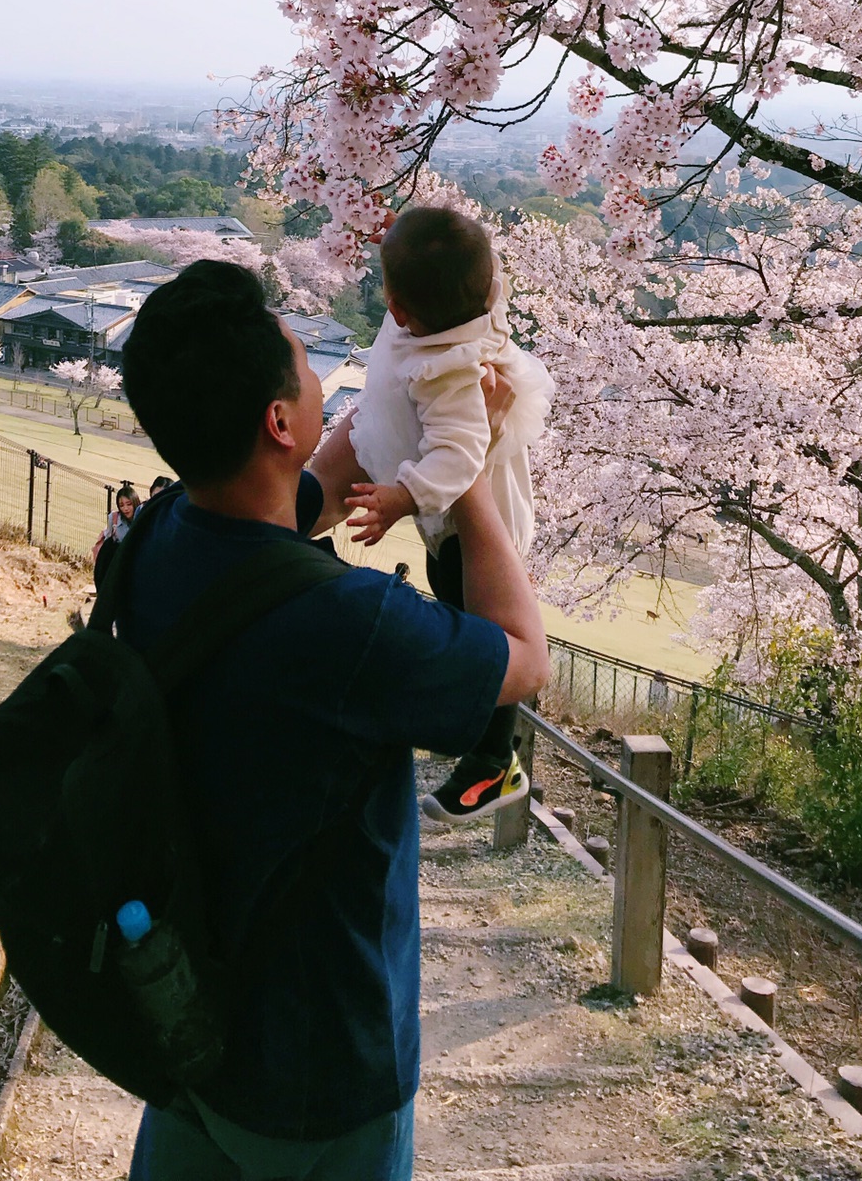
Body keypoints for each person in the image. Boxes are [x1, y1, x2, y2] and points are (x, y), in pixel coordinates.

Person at [117, 259, 549, 1181]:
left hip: (186, 1016)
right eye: (309, 369)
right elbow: (521, 658)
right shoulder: (350, 627)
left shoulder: (158, 540)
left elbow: (298, 496)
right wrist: (462, 471)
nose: (324, 380)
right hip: (323, 1063)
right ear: (278, 421)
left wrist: (408, 395)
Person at [334, 205, 553, 827]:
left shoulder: (451, 372)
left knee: (487, 633)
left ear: (398, 308)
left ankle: (492, 760)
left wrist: (402, 495)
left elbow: (461, 455)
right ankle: (479, 744)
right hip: (455, 526)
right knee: (456, 610)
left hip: (478, 526)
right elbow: (474, 276)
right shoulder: (468, 314)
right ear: (491, 289)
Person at [92, 482, 142, 591]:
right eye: (122, 505)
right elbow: (108, 543)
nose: (125, 509)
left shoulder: (142, 518)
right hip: (119, 568)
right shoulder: (114, 518)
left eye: (129, 504)